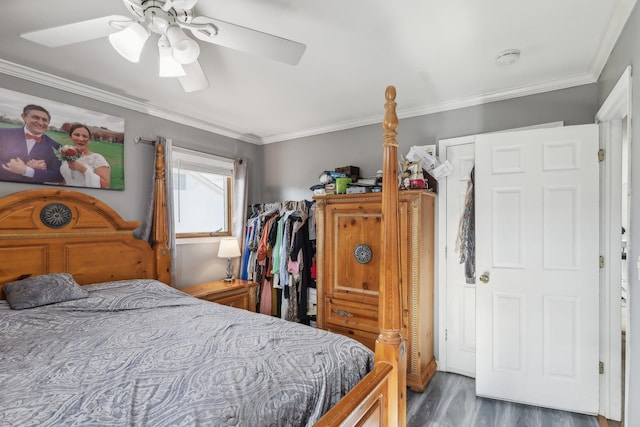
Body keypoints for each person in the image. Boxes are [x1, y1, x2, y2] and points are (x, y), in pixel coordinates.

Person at [0, 104, 63, 184]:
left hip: (33, 192)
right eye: (35, 117)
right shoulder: (2, 134)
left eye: (44, 120)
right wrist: (22, 170)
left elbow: (58, 176)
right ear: (24, 117)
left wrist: (27, 171)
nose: (40, 122)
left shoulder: (56, 146)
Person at [60, 123, 111, 189]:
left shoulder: (97, 158)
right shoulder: (66, 155)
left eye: (85, 136)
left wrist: (82, 169)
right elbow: (67, 178)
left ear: (89, 140)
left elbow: (105, 186)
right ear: (71, 137)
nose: (81, 139)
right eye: (77, 135)